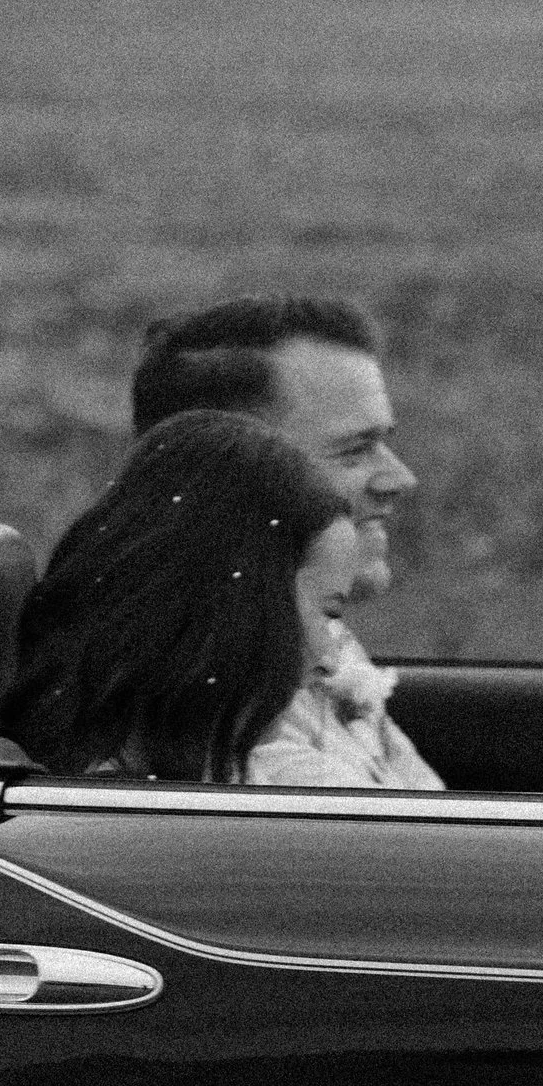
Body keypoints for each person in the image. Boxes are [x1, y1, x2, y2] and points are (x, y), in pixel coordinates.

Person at [0, 411, 441, 789]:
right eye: (328, 614)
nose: (329, 659)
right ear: (243, 609)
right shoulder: (123, 801)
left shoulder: (188, 771)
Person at [127, 294, 434, 773]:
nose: (401, 479)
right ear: (229, 471)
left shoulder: (316, 636)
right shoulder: (224, 725)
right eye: (354, 451)